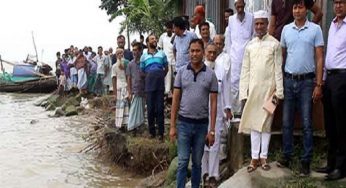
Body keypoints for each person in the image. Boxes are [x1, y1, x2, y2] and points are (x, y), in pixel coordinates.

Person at [277, 0, 324, 176]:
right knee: (286, 122)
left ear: (306, 10)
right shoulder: (286, 30)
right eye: (295, 7)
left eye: (301, 7)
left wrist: (318, 84)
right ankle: (286, 155)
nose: (297, 10)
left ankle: (306, 160)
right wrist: (279, 81)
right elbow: (281, 57)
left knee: (306, 123)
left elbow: (319, 58)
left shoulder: (315, 29)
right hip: (288, 81)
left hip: (306, 82)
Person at [238, 10, 284, 173]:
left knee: (266, 124)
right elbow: (245, 70)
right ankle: (254, 158)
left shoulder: (275, 44)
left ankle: (264, 157)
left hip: (270, 92)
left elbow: (278, 70)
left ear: (267, 24)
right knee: (253, 124)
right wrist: (243, 93)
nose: (259, 26)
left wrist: (278, 92)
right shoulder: (249, 46)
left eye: (262, 23)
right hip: (253, 92)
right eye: (256, 24)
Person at [170, 39, 218, 188]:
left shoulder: (211, 75)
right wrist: (172, 126)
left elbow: (214, 103)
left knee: (197, 163)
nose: (194, 54)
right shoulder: (181, 73)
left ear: (203, 53)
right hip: (184, 124)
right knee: (183, 161)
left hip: (201, 126)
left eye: (198, 51)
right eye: (192, 51)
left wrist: (212, 130)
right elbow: (175, 100)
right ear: (188, 52)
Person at [316, 0, 346, 181]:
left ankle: (341, 168)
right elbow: (329, 54)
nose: (338, 6)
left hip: (343, 78)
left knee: (342, 124)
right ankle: (331, 163)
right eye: (335, 3)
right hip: (330, 79)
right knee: (330, 124)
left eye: (342, 2)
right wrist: (323, 80)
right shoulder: (333, 25)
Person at [201, 37, 233, 187]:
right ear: (204, 53)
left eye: (214, 52)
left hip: (218, 110)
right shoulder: (200, 68)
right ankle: (204, 173)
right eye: (209, 53)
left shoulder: (221, 68)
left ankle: (214, 175)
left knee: (214, 143)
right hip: (201, 111)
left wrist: (228, 108)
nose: (212, 55)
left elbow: (226, 88)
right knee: (202, 144)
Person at [225, 0, 254, 118]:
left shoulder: (251, 18)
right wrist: (229, 56)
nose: (240, 9)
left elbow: (253, 36)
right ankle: (235, 113)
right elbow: (228, 40)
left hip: (248, 57)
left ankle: (246, 113)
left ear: (244, 5)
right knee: (234, 85)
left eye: (242, 6)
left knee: (247, 84)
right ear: (235, 6)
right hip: (234, 58)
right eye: (238, 7)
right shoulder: (231, 20)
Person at [140, 34, 168, 141]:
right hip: (149, 87)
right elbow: (142, 71)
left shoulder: (162, 54)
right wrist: (150, 77)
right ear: (147, 43)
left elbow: (166, 68)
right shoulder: (143, 56)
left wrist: (159, 76)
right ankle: (152, 132)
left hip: (160, 86)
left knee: (160, 109)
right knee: (151, 109)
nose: (155, 40)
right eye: (152, 39)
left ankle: (160, 133)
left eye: (155, 39)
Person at [126, 42, 146, 132]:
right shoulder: (130, 64)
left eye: (136, 50)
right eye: (133, 50)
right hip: (134, 91)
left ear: (140, 51)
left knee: (141, 111)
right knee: (134, 111)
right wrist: (129, 92)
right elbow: (129, 78)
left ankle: (139, 128)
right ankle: (132, 129)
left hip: (143, 90)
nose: (134, 52)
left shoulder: (144, 62)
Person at [112, 48, 130, 128]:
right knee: (120, 105)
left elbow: (128, 77)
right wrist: (114, 92)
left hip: (125, 86)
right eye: (118, 53)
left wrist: (129, 89)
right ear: (116, 55)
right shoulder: (114, 66)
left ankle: (127, 123)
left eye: (121, 53)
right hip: (119, 87)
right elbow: (113, 79)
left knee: (126, 104)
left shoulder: (126, 64)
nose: (120, 55)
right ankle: (119, 123)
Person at [158, 21, 175, 95]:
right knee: (167, 80)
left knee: (175, 79)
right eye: (167, 28)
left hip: (174, 61)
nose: (168, 30)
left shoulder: (175, 36)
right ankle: (167, 95)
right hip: (166, 61)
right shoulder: (162, 36)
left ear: (172, 29)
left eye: (170, 28)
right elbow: (159, 48)